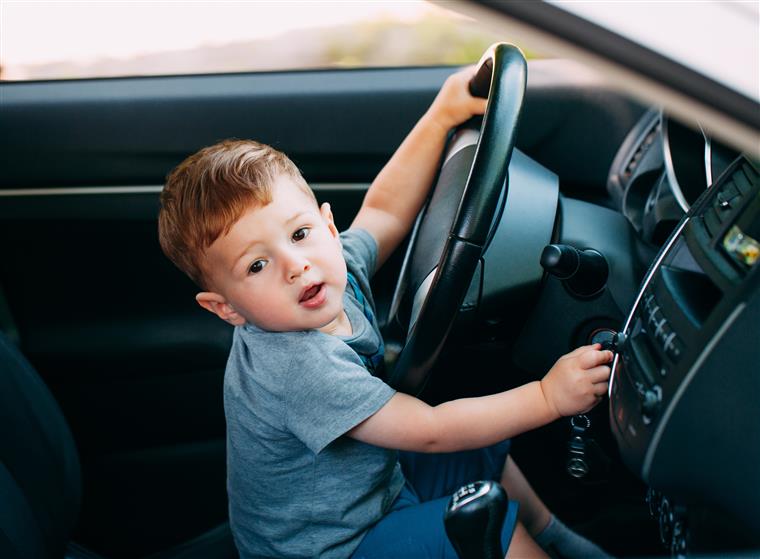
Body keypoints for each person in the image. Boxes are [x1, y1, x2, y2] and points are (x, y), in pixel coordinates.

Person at [158, 65, 613, 559]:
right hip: (334, 547)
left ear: (328, 227)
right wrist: (548, 397)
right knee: (492, 517)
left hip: (374, 491)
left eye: (299, 233)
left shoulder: (334, 270)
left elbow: (385, 210)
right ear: (225, 308)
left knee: (479, 449)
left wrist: (442, 115)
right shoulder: (298, 366)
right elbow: (431, 431)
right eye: (258, 265)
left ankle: (559, 540)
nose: (296, 265)